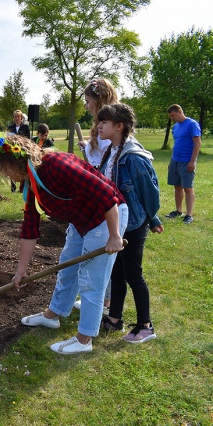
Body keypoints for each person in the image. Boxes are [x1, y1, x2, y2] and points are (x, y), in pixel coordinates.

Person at [0, 135, 127, 354]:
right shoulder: (31, 180)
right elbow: (30, 227)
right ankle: (52, 315)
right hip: (81, 219)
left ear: (17, 162)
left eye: (5, 167)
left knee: (91, 279)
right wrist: (21, 271)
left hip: (106, 216)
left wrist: (114, 235)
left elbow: (106, 194)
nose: (5, 173)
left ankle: (84, 339)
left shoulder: (57, 165)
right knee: (67, 267)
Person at [96, 103, 162, 343]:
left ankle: (146, 325)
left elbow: (150, 194)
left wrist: (152, 218)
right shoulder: (112, 151)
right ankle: (115, 319)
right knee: (117, 273)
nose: (99, 125)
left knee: (134, 274)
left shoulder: (132, 157)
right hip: (118, 224)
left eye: (104, 122)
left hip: (133, 223)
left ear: (119, 126)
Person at [74, 77, 119, 314]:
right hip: (100, 191)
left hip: (107, 195)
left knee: (104, 252)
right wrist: (87, 147)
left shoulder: (109, 126)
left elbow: (106, 162)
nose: (86, 104)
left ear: (99, 99)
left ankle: (105, 302)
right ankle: (102, 299)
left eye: (88, 100)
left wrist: (91, 152)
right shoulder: (101, 125)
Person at [164, 104, 201, 224]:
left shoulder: (192, 124)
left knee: (187, 188)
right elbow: (177, 144)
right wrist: (171, 161)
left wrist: (192, 161)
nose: (171, 118)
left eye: (173, 115)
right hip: (175, 160)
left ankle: (189, 215)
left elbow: (197, 143)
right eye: (170, 116)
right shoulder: (175, 127)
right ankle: (178, 211)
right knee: (177, 186)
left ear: (179, 112)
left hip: (187, 161)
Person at [77, 78, 118, 167]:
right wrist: (86, 146)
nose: (86, 106)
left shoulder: (110, 129)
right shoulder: (102, 126)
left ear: (98, 101)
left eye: (87, 102)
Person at [7, 110, 31, 192]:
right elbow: (8, 139)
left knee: (22, 168)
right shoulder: (10, 127)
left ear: (21, 118)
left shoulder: (25, 127)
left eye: (18, 116)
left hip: (22, 151)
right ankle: (13, 187)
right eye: (15, 116)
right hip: (12, 151)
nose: (17, 118)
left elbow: (28, 139)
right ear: (13, 118)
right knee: (12, 168)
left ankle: (22, 188)